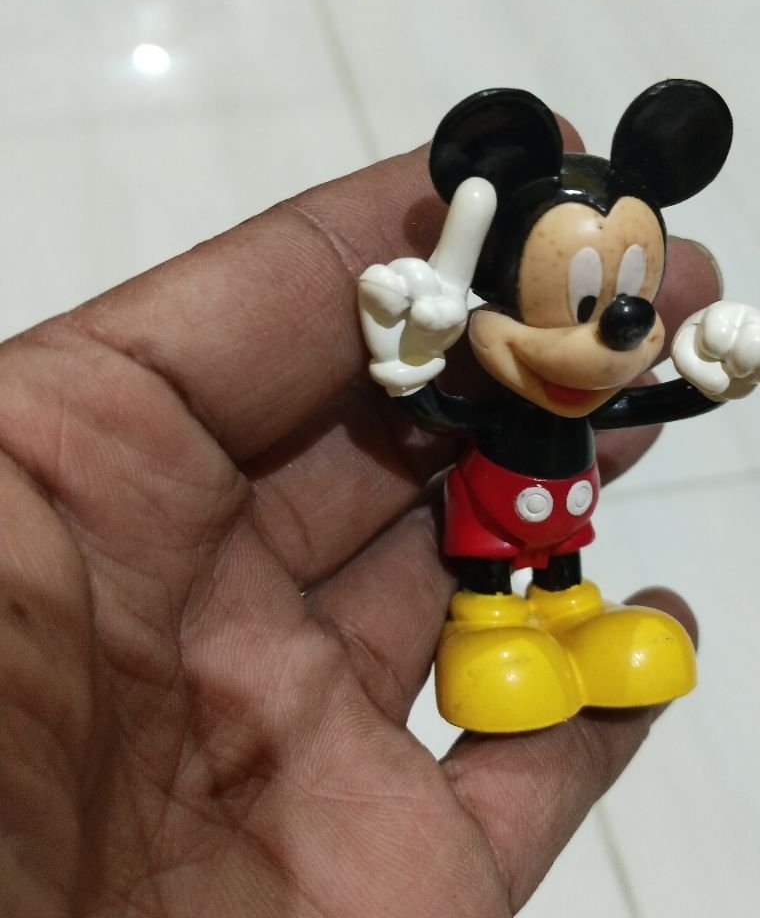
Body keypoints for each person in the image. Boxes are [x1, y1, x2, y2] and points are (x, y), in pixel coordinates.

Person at [0, 124, 719, 917]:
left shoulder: (595, 392)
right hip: (491, 511)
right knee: (491, 583)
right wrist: (407, 368)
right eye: (578, 306)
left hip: (565, 512)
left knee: (566, 566)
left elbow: (638, 398)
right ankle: (487, 624)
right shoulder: (498, 384)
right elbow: (441, 407)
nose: (615, 334)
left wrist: (710, 378)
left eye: (626, 301)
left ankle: (573, 613)